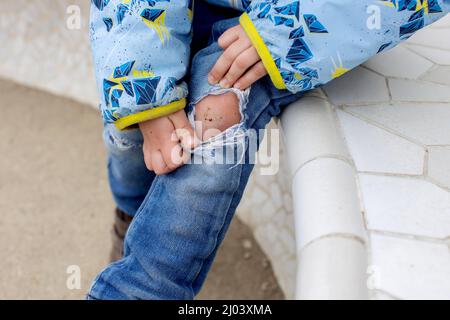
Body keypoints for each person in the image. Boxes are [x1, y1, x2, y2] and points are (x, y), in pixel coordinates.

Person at [88, 0, 449, 299]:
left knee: (216, 117)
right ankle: (130, 212)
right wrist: (143, 77)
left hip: (303, 20)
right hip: (159, 14)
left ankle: (141, 289)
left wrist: (287, 30)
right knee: (130, 138)